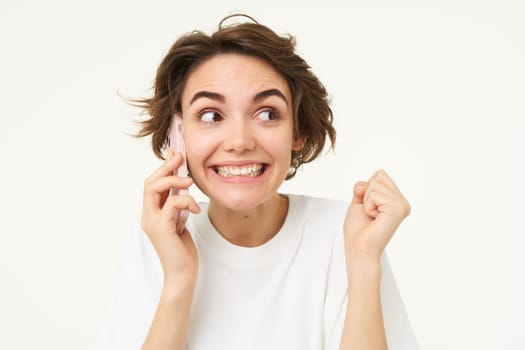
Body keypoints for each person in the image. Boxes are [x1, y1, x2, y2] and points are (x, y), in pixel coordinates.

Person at [96, 14, 418, 350]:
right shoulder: (154, 238)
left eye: (267, 113)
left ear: (299, 131)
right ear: (178, 135)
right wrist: (178, 281)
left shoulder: (352, 235)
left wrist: (364, 261)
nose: (239, 141)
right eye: (210, 115)